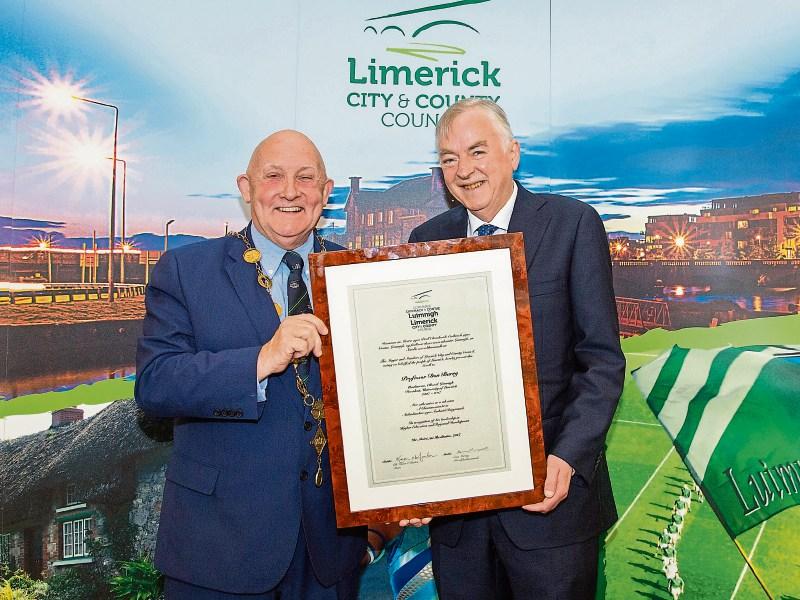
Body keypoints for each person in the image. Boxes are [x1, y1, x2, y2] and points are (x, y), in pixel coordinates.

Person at [405, 98, 625, 598]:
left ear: (513, 153)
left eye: (477, 151)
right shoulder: (425, 240)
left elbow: (602, 362)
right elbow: (418, 366)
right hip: (457, 520)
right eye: (448, 158)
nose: (463, 170)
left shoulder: (572, 224)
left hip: (551, 511)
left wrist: (567, 457)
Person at [135, 130, 365, 599]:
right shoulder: (186, 270)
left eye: (306, 178)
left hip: (329, 552)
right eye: (273, 176)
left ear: (326, 190)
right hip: (218, 548)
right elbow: (156, 384)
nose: (290, 191)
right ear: (245, 187)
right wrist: (261, 360)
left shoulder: (361, 274)